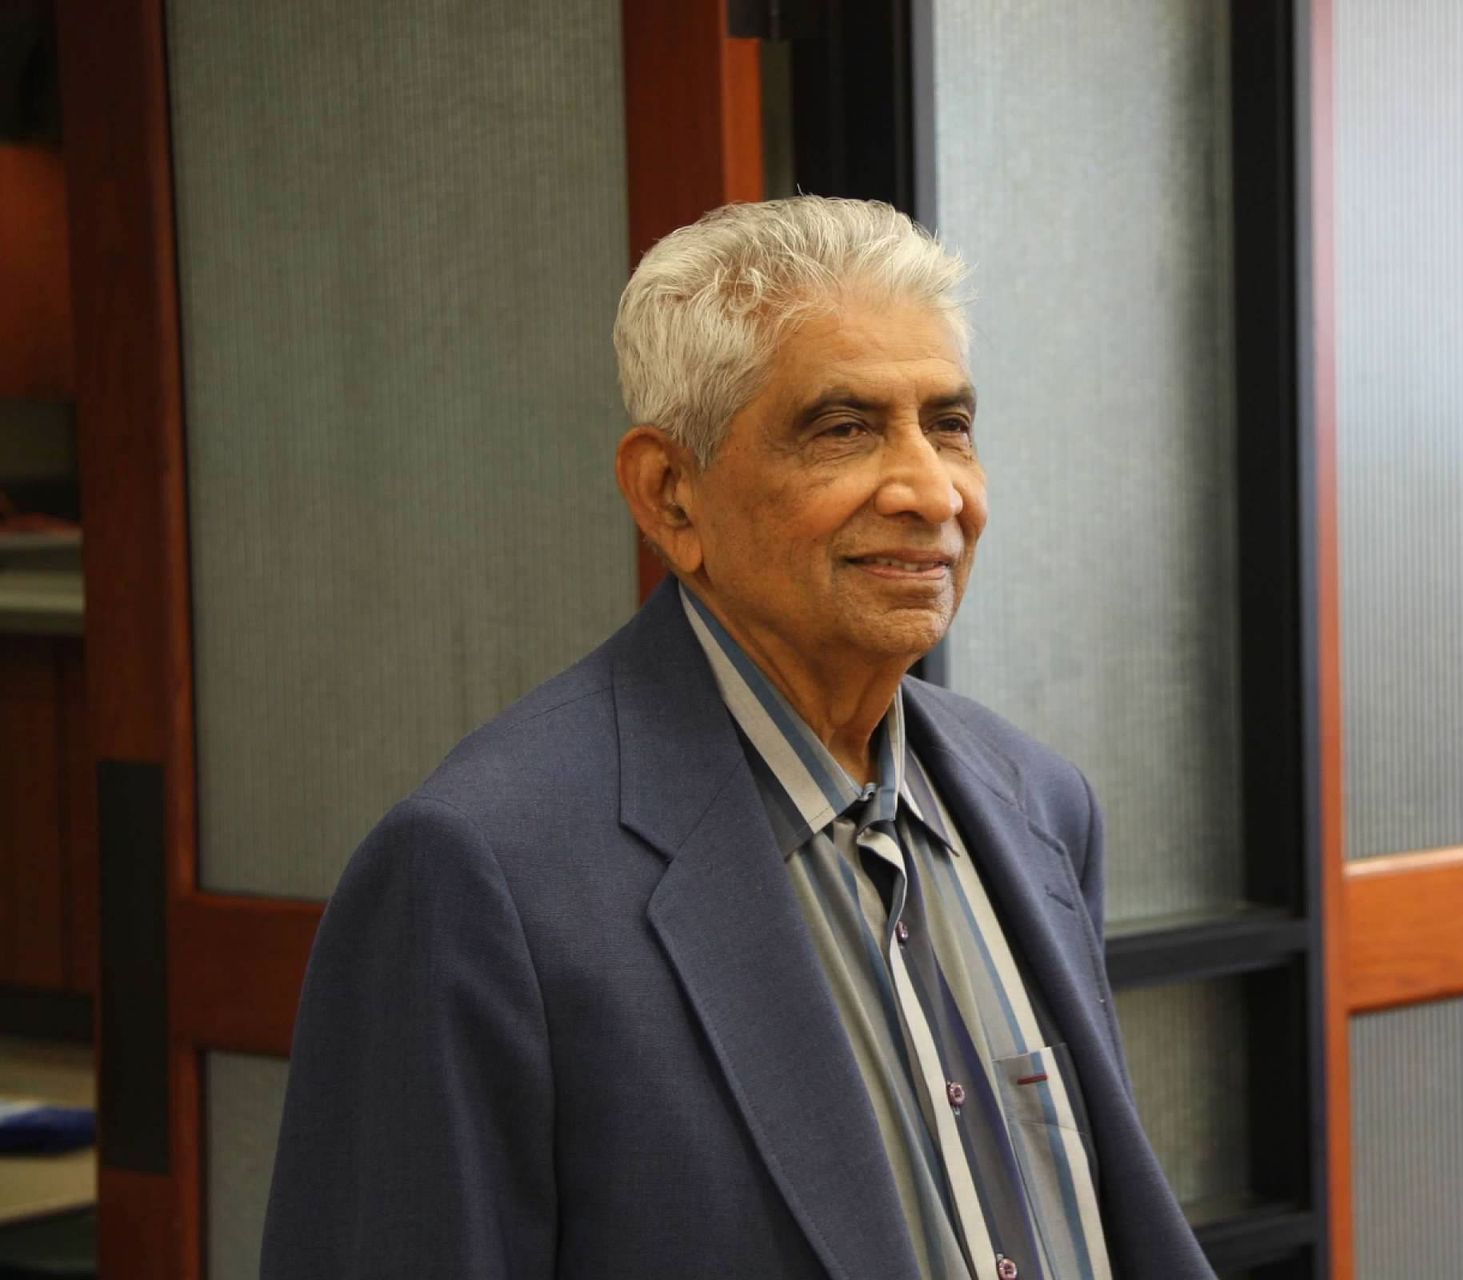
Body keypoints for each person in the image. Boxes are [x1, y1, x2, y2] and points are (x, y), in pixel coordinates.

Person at [260, 197, 1213, 1279]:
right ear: (670, 496)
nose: (931, 489)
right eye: (844, 429)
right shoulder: (484, 872)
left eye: (949, 425)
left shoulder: (1036, 800)